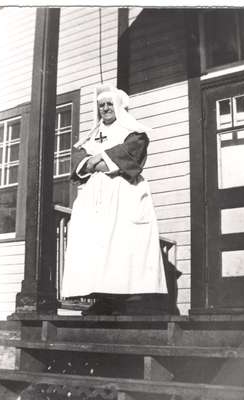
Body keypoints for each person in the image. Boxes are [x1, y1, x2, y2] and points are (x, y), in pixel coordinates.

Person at [61, 84, 167, 315]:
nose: (105, 109)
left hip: (123, 194)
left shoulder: (133, 131)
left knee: (122, 243)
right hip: (94, 200)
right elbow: (78, 159)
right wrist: (93, 161)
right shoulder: (92, 134)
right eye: (101, 106)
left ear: (118, 106)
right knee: (97, 245)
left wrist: (98, 160)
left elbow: (131, 154)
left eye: (109, 104)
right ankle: (103, 298)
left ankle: (128, 299)